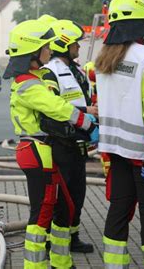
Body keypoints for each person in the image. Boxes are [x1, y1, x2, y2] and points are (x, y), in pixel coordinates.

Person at [4, 19, 98, 269]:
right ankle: (35, 265)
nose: (49, 49)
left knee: (64, 206)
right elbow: (56, 107)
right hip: (36, 150)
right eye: (45, 46)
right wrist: (86, 123)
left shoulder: (32, 78)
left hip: (42, 151)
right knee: (43, 211)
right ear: (32, 52)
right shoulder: (28, 84)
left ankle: (61, 262)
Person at [96, 0, 144, 268]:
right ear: (142, 23)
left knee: (118, 209)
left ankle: (114, 265)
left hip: (115, 149)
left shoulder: (104, 57)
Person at [40, 18, 98, 253]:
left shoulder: (77, 70)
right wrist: (87, 112)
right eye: (75, 43)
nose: (79, 47)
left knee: (77, 194)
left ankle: (72, 237)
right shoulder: (50, 72)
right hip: (61, 144)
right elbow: (52, 108)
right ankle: (55, 241)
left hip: (78, 143)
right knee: (61, 197)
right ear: (64, 44)